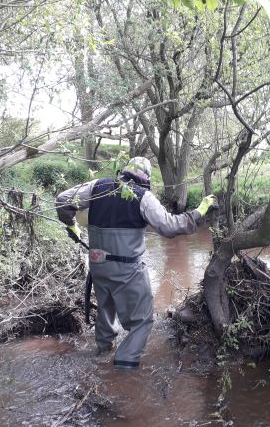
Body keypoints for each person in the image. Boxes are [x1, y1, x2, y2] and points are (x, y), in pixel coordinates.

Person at [56, 156, 217, 370]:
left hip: (97, 265)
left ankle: (103, 353)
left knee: (106, 309)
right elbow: (169, 226)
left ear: (124, 171)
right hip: (127, 268)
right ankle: (124, 368)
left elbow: (63, 200)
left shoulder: (98, 186)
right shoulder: (142, 196)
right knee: (142, 320)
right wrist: (199, 211)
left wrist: (72, 225)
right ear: (146, 178)